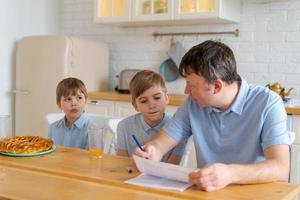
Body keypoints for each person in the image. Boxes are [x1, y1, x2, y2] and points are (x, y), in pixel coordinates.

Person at [135, 40, 292, 191]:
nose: (186, 92)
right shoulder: (193, 103)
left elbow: (280, 168)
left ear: (216, 86)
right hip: (208, 193)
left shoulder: (268, 103)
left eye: (191, 85)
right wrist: (152, 151)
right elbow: (161, 143)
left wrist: (230, 174)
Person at [117, 70, 186, 164]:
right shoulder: (124, 126)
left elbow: (173, 165)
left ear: (166, 98)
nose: (152, 105)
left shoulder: (178, 128)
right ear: (135, 105)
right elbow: (121, 163)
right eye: (144, 101)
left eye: (157, 98)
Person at [49, 77, 94, 149]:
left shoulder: (92, 129)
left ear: (86, 101)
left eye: (79, 98)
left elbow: (92, 158)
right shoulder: (53, 128)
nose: (74, 103)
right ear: (59, 104)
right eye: (68, 99)